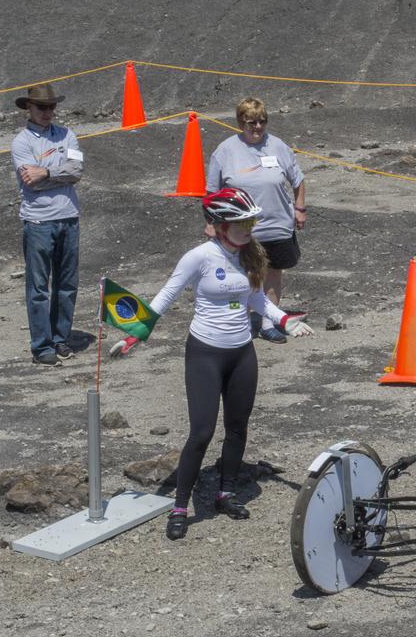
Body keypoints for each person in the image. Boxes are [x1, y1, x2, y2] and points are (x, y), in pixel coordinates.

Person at [134, 188, 313, 541]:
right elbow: (167, 295)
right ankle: (181, 506)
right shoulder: (199, 257)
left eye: (250, 222)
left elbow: (258, 299)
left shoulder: (251, 255)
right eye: (239, 223)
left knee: (237, 428)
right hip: (205, 353)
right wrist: (134, 333)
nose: (248, 229)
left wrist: (284, 321)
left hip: (242, 352)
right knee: (201, 433)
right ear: (218, 226)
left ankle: (225, 492)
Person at [205, 97, 307, 345]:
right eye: (251, 122)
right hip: (242, 229)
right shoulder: (225, 151)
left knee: (273, 273)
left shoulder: (279, 146)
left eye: (262, 121)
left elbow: (298, 180)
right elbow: (211, 193)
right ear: (241, 122)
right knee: (244, 276)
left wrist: (300, 208)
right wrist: (211, 222)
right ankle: (241, 323)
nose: (258, 127)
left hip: (278, 224)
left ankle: (267, 324)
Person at [11, 84, 84, 367]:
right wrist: (58, 174)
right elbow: (30, 181)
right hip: (39, 222)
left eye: (52, 107)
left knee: (67, 284)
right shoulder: (22, 142)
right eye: (42, 107)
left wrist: (46, 172)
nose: (48, 112)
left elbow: (76, 172)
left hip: (69, 218)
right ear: (28, 108)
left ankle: (60, 338)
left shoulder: (68, 135)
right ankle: (42, 346)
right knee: (39, 288)